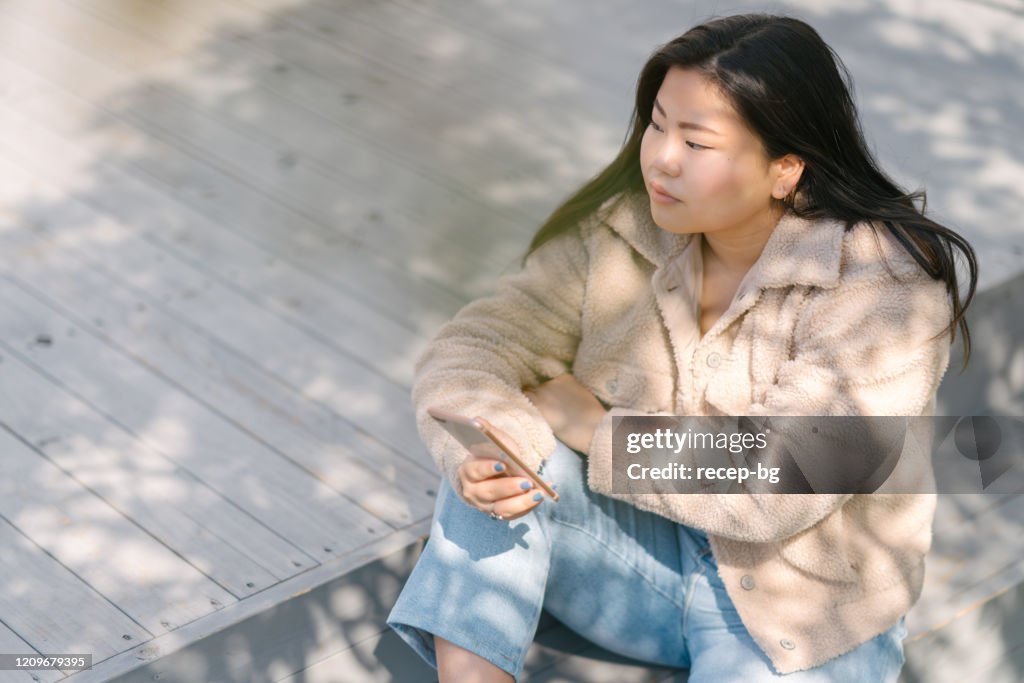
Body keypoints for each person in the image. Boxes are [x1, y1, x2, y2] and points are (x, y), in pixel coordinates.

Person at [387, 13, 977, 683]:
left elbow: (783, 475)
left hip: (800, 618)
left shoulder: (883, 287)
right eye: (658, 124)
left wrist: (598, 431)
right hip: (643, 573)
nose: (661, 157)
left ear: (785, 168)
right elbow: (478, 343)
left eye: (696, 141)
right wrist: (491, 444)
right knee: (499, 455)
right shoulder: (623, 226)